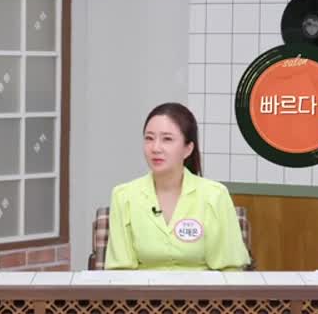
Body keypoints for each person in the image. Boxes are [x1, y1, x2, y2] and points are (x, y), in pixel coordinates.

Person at [105, 102, 251, 270]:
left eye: (167, 139)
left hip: (203, 287)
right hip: (143, 288)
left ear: (188, 149)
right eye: (149, 138)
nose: (156, 148)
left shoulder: (215, 195)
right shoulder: (123, 196)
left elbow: (230, 269)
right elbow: (120, 272)